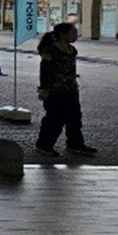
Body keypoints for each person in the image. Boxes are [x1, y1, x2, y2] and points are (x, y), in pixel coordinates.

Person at [35, 23, 94, 156]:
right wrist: (44, 88)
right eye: (73, 32)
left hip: (71, 89)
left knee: (75, 118)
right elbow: (44, 70)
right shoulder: (51, 49)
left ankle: (75, 144)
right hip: (55, 90)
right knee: (54, 118)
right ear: (63, 34)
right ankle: (44, 145)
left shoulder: (72, 50)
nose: (76, 35)